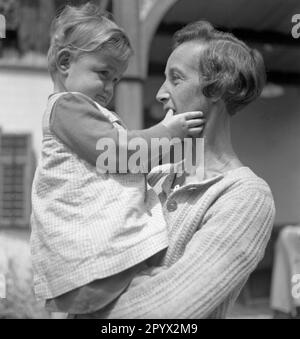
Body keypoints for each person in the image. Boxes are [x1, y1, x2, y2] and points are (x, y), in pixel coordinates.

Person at [75, 20, 276, 319]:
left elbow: (169, 312)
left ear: (218, 88)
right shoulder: (156, 174)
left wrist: (96, 300)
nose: (160, 93)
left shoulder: (247, 197)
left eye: (176, 79)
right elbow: (85, 257)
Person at [30, 3, 204, 316]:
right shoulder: (68, 107)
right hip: (93, 264)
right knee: (163, 298)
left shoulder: (90, 113)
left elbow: (127, 166)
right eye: (103, 74)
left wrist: (174, 162)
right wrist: (167, 131)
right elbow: (121, 155)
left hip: (99, 269)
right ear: (65, 61)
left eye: (116, 79)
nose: (110, 88)